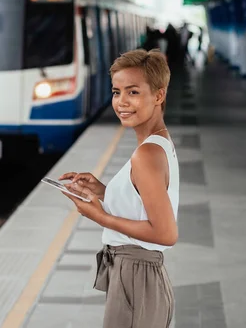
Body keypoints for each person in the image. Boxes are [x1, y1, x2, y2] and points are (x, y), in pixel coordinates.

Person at [59, 48, 179, 328]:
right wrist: (103, 190)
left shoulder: (146, 154)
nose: (121, 102)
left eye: (133, 92)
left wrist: (99, 216)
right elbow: (145, 199)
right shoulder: (157, 143)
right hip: (138, 277)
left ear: (158, 95)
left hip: (137, 278)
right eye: (116, 92)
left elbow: (166, 233)